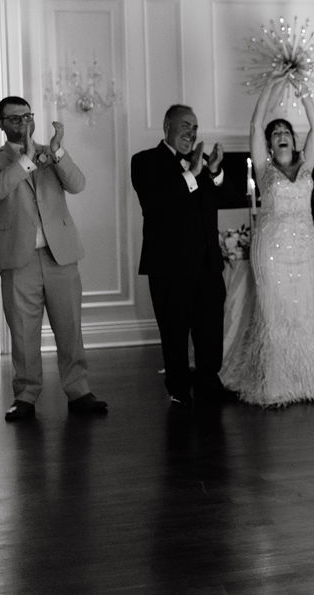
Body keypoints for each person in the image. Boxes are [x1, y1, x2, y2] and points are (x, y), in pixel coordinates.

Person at [220, 78, 314, 403]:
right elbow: (255, 124)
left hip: (303, 249)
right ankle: (277, 384)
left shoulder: (306, 165)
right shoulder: (263, 170)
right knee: (275, 314)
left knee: (305, 311)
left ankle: (312, 379)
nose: (281, 135)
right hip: (270, 251)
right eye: (276, 133)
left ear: (294, 140)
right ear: (269, 144)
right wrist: (269, 85)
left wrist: (303, 90)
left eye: (286, 132)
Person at [0, 96, 107, 421]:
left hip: (60, 255)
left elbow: (78, 185)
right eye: (14, 119)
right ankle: (25, 396)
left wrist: (58, 152)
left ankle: (79, 391)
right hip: (17, 259)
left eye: (27, 116)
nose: (23, 123)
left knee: (70, 329)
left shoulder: (53, 155)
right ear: (2, 124)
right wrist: (27, 159)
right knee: (22, 333)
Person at [131, 104, 231, 407]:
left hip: (207, 264)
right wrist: (192, 175)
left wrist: (212, 171)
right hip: (169, 266)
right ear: (167, 127)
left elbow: (218, 201)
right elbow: (156, 203)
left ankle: (208, 381)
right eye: (185, 125)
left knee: (210, 328)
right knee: (174, 329)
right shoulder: (145, 161)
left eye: (195, 128)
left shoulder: (198, 163)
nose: (192, 133)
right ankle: (177, 387)